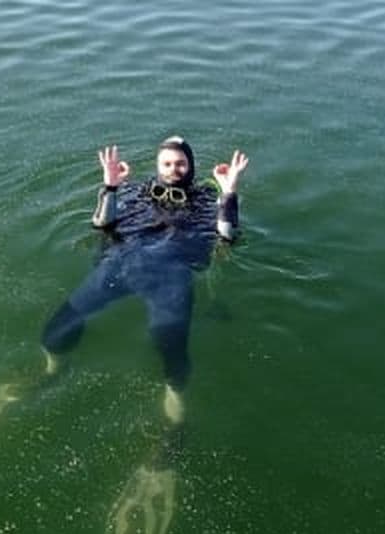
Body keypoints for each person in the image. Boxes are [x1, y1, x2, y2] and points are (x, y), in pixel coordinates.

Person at [40, 136, 249, 425]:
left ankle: (176, 423)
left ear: (190, 166)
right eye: (166, 163)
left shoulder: (203, 200)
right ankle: (53, 371)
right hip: (121, 265)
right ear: (157, 165)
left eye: (180, 164)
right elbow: (102, 224)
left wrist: (229, 193)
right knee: (54, 332)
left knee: (170, 353)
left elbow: (227, 236)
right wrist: (111, 186)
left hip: (171, 276)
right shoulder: (138, 192)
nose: (173, 169)